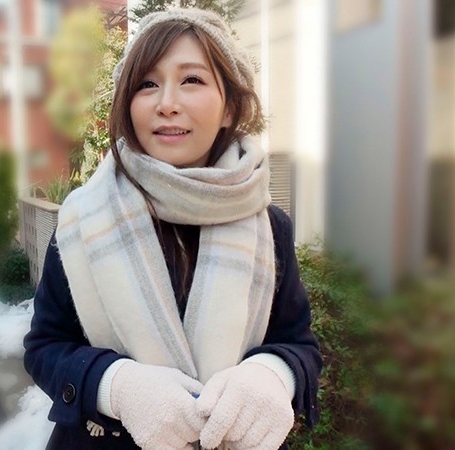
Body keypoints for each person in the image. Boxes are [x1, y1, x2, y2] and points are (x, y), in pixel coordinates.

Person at [23, 7, 322, 450]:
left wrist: (274, 374)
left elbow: (298, 344)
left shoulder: (269, 226)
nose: (166, 103)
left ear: (230, 107)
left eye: (192, 80)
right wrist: (115, 386)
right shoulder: (83, 220)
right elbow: (45, 346)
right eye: (147, 84)